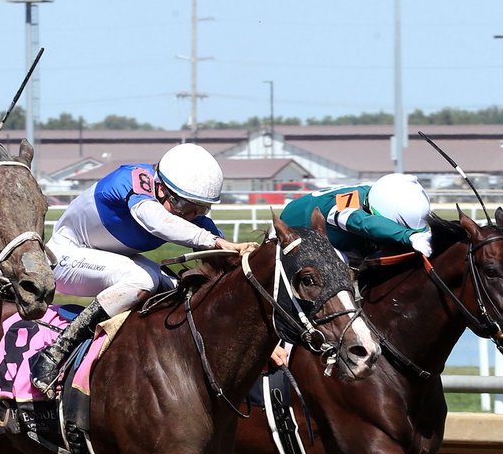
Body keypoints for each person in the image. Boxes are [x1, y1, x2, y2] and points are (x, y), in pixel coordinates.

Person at [30, 142, 252, 397]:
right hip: (65, 258)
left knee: (178, 287)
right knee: (140, 279)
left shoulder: (182, 206)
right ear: (161, 187)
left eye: (200, 209)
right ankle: (56, 352)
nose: (190, 216)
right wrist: (212, 241)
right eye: (184, 207)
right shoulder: (132, 179)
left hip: (109, 258)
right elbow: (156, 221)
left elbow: (225, 263)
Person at [278, 172, 434, 264]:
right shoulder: (343, 208)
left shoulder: (378, 195)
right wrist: (408, 235)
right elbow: (364, 223)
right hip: (293, 233)